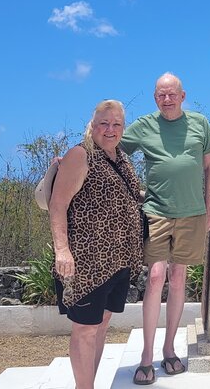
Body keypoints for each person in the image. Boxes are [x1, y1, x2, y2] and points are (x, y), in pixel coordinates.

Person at [120, 72, 210, 385]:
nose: (167, 99)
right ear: (155, 97)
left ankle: (169, 348)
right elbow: (113, 148)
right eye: (161, 94)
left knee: (178, 279)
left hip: (193, 214)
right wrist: (76, 157)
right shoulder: (144, 125)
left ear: (183, 95)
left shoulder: (200, 123)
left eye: (172, 94)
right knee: (156, 277)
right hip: (156, 212)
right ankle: (146, 356)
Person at [49, 99, 143, 389]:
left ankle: (89, 383)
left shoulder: (122, 159)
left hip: (118, 260)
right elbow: (58, 205)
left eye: (116, 124)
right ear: (93, 125)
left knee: (101, 325)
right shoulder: (81, 155)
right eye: (104, 123)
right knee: (86, 329)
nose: (110, 129)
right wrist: (62, 250)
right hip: (88, 263)